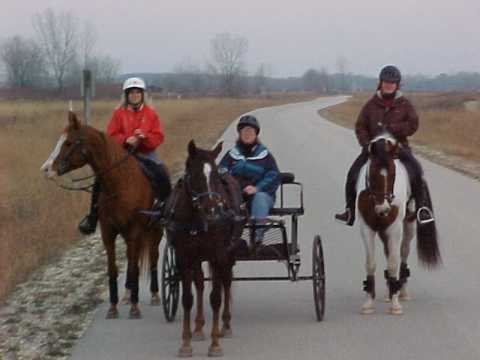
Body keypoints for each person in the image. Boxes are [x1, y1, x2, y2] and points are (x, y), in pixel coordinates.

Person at [335, 65, 435, 227]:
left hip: (398, 148)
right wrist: (367, 144)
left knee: (416, 172)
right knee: (352, 174)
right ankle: (350, 210)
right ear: (380, 83)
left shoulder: (404, 105)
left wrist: (395, 129)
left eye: (392, 83)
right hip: (374, 150)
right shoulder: (370, 105)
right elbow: (360, 126)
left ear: (397, 85)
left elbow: (413, 124)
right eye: (386, 82)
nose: (389, 85)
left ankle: (421, 209)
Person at [78, 77, 166, 235]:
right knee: (101, 178)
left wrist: (144, 137)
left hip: (146, 153)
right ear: (126, 95)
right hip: (123, 154)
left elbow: (158, 136)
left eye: (137, 92)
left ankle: (164, 210)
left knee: (161, 173)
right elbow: (110, 136)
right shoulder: (118, 114)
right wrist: (126, 139)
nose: (134, 95)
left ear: (142, 94)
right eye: (131, 93)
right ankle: (92, 216)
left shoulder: (151, 114)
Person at [219, 115, 280, 245]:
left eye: (250, 131)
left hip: (260, 195)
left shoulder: (265, 155)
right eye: (244, 131)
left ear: (256, 134)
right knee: (225, 203)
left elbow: (274, 175)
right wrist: (234, 186)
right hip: (236, 196)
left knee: (260, 198)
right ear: (240, 133)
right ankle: (232, 238)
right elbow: (221, 171)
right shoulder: (231, 155)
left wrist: (256, 188)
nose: (247, 134)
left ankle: (258, 234)